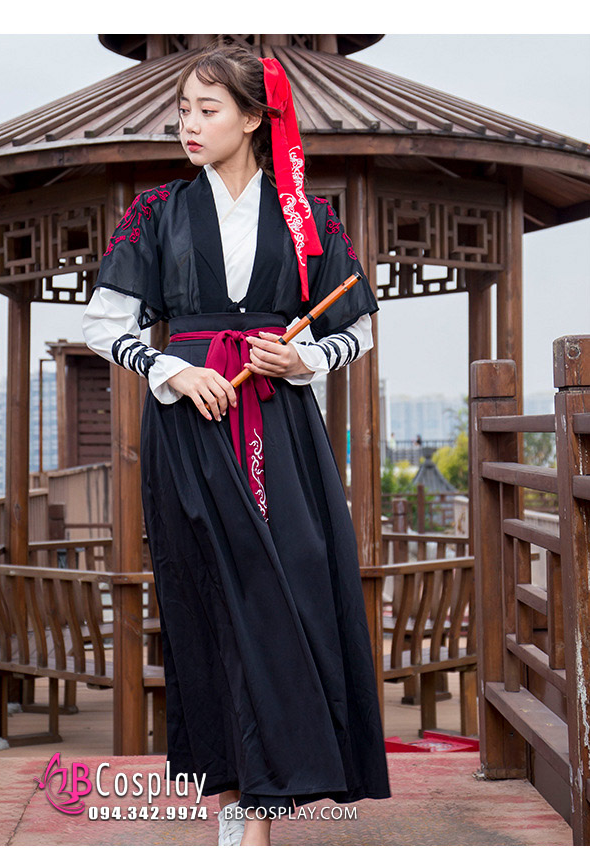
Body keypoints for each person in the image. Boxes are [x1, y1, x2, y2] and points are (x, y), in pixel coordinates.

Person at [82, 43, 391, 847]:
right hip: (190, 426)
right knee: (210, 602)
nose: (188, 123)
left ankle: (269, 802)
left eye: (207, 109)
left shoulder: (309, 216)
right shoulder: (157, 211)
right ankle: (236, 808)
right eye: (182, 110)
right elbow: (104, 326)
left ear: (254, 118)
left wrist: (304, 360)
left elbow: (358, 327)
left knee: (288, 594)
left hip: (280, 427)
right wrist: (174, 371)